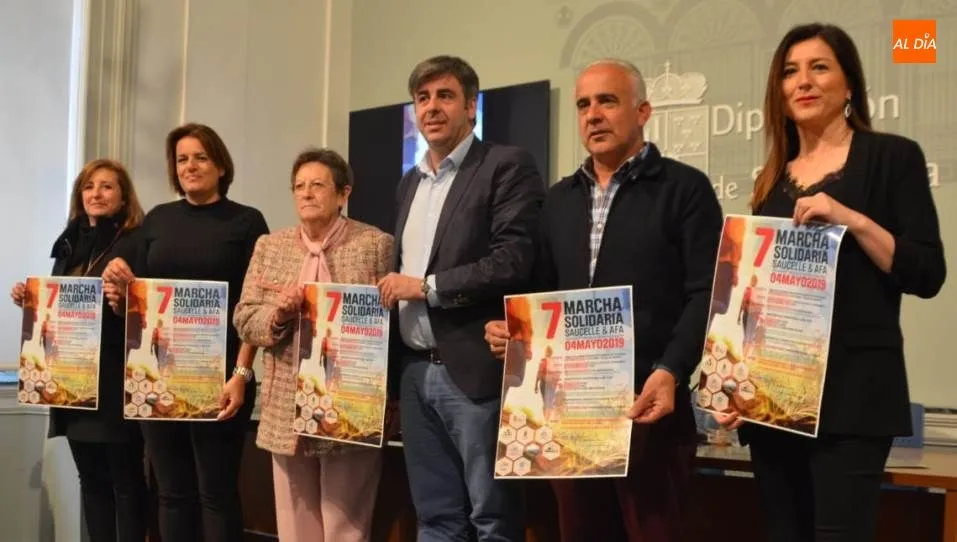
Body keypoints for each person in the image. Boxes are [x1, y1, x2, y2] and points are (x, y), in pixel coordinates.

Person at [713, 23, 946, 542]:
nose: (804, 81)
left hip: (856, 399)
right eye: (790, 71)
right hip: (777, 406)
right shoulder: (771, 181)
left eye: (819, 67)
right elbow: (758, 301)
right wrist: (735, 384)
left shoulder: (892, 157)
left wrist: (851, 219)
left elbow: (927, 272)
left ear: (849, 85)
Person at [485, 58, 723, 542]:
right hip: (570, 412)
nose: (592, 114)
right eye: (583, 104)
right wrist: (514, 333)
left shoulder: (684, 189)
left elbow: (707, 295)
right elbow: (542, 296)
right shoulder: (558, 200)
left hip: (648, 408)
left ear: (643, 111)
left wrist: (671, 369)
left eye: (607, 101)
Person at [377, 54, 545, 542]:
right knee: (435, 519)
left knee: (493, 519)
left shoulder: (505, 165)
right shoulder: (409, 183)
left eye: (445, 96)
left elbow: (513, 258)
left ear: (471, 106)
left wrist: (426, 287)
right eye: (422, 98)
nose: (432, 107)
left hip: (474, 372)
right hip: (413, 372)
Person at [102, 123, 269, 542]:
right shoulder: (158, 220)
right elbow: (139, 301)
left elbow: (256, 305)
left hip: (221, 382)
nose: (190, 166)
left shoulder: (247, 222)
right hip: (159, 376)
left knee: (217, 492)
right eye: (181, 159)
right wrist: (120, 289)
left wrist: (242, 373)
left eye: (200, 157)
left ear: (219, 165)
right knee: (172, 493)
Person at [234, 147, 392, 542]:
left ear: (343, 194)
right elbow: (244, 318)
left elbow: (392, 325)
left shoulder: (375, 244)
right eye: (299, 186)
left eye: (318, 185)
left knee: (346, 526)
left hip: (349, 403)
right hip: (283, 405)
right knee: (294, 525)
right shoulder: (270, 246)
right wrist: (279, 315)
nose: (306, 193)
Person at [11, 158, 148, 542]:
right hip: (72, 383)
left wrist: (128, 292)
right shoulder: (68, 243)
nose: (96, 193)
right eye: (89, 186)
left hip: (116, 384)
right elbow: (60, 308)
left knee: (126, 480)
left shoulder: (136, 242)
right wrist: (32, 302)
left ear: (123, 198)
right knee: (91, 480)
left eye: (106, 186)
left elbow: (149, 311)